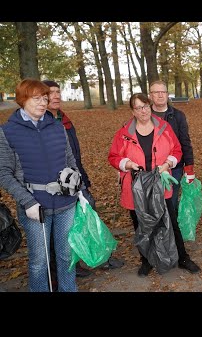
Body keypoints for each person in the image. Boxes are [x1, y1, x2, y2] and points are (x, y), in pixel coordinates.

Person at [0, 79, 80, 292]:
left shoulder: (56, 125)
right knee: (39, 261)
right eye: (37, 98)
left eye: (45, 98)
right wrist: (27, 202)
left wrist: (76, 185)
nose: (43, 103)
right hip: (35, 208)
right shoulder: (8, 131)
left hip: (66, 204)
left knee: (66, 256)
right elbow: (4, 173)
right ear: (22, 99)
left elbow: (70, 159)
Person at [108, 93, 200, 276]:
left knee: (170, 221)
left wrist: (167, 164)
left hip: (160, 182)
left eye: (146, 106)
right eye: (139, 107)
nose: (143, 111)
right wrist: (127, 164)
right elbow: (113, 157)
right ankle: (147, 260)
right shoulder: (124, 132)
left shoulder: (164, 127)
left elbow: (177, 149)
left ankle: (182, 257)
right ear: (132, 111)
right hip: (136, 185)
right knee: (141, 224)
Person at [42, 80, 124, 283]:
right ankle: (63, 266)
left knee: (89, 213)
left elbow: (74, 155)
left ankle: (97, 256)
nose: (56, 96)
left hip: (75, 178)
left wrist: (83, 181)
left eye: (57, 92)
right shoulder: (42, 121)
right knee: (61, 227)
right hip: (56, 185)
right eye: (50, 93)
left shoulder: (64, 119)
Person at [149, 81, 195, 212]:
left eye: (163, 92)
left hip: (174, 167)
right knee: (152, 205)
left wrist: (189, 168)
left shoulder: (178, 116)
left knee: (171, 203)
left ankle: (171, 231)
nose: (160, 95)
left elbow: (185, 142)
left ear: (167, 94)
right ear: (150, 95)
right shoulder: (145, 115)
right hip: (150, 168)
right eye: (156, 92)